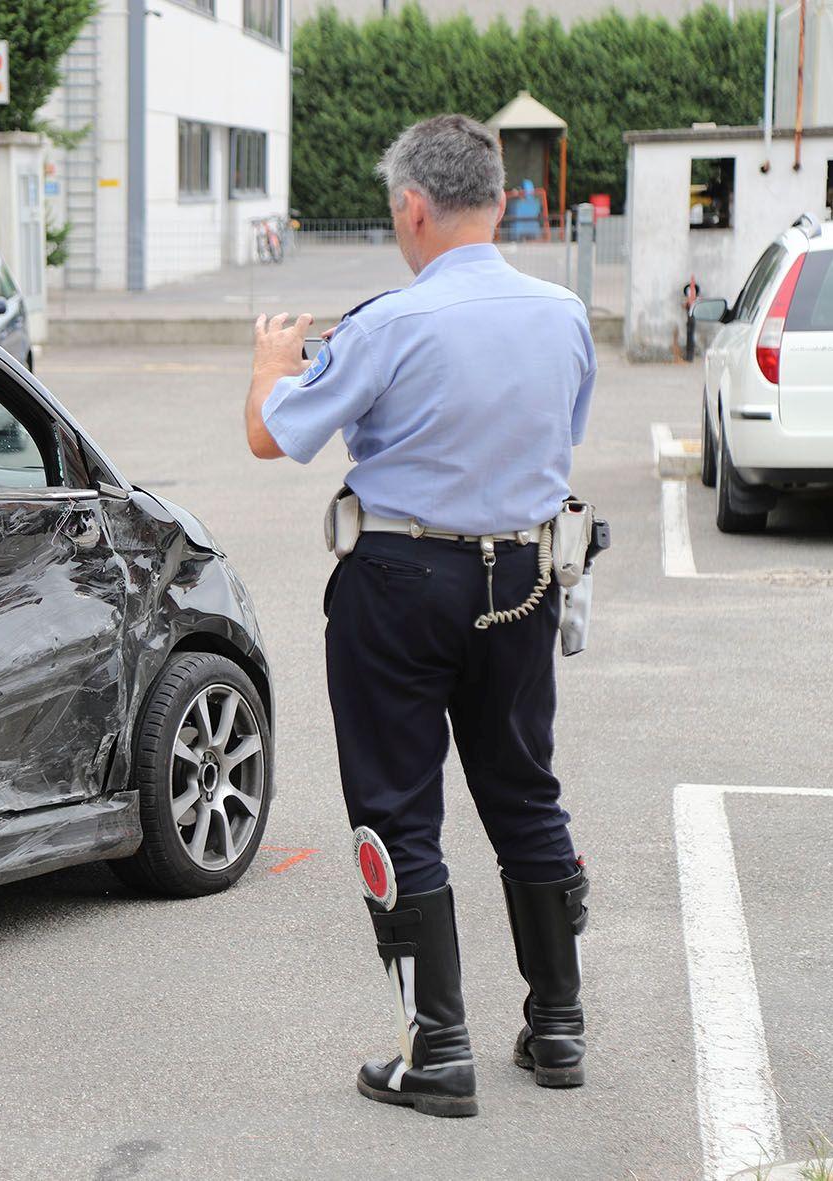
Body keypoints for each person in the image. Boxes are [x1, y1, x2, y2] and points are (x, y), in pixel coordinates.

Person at [244, 114, 595, 1119]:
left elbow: (272, 440)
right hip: (521, 572)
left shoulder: (387, 323)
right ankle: (556, 1023)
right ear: (496, 196)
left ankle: (435, 1047)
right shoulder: (563, 313)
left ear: (410, 207)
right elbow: (558, 440)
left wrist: (271, 361)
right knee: (523, 791)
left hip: (398, 576)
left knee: (396, 808)